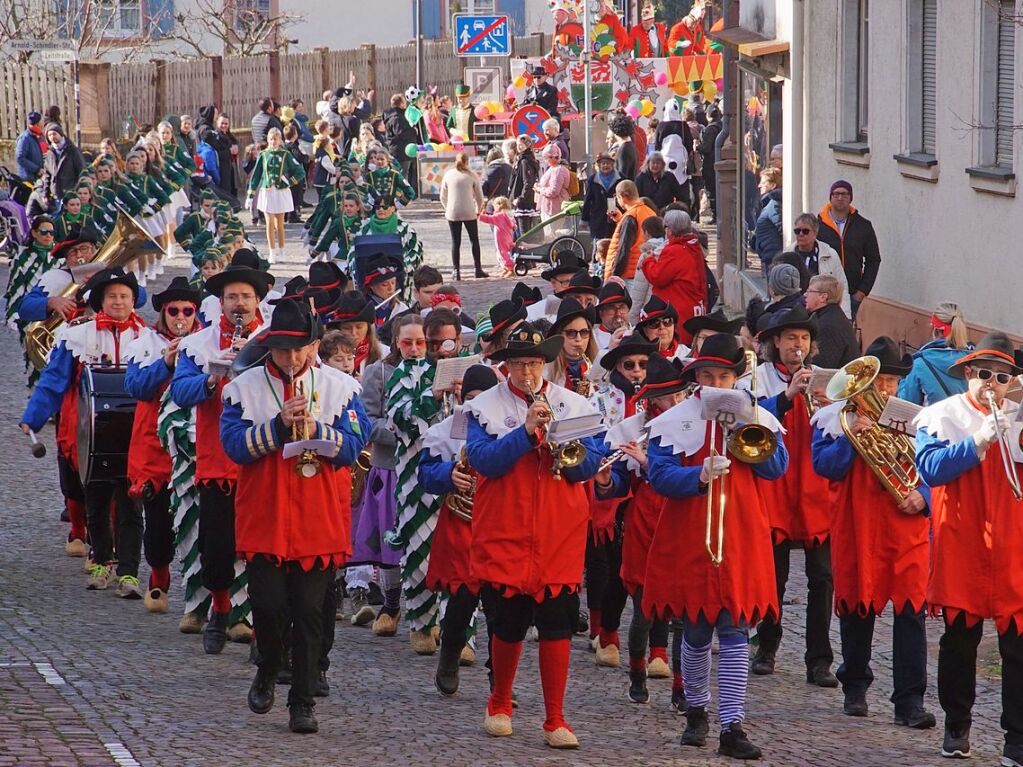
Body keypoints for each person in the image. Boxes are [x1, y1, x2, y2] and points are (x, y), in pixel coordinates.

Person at [222, 298, 368, 734]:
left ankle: (302, 701)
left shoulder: (341, 387)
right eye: (283, 350)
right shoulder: (243, 387)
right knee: (267, 608)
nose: (292, 358)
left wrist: (318, 430)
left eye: (300, 349)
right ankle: (268, 666)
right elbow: (233, 447)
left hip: (317, 518)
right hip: (264, 515)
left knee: (309, 614)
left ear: (313, 345)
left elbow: (352, 447)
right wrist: (277, 428)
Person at [641, 332, 788, 760]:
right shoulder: (674, 420)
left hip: (740, 535)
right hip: (691, 535)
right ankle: (696, 711)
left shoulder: (756, 414)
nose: (715, 384)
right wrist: (698, 476)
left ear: (735, 378)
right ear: (696, 378)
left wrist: (749, 431)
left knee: (736, 627)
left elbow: (778, 468)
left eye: (723, 376)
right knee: (696, 628)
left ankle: (732, 725)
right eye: (707, 375)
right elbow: (660, 477)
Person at [464, 322, 603, 748]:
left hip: (558, 533)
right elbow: (483, 461)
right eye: (519, 363)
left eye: (534, 363)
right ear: (506, 366)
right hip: (505, 530)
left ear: (546, 363)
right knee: (506, 625)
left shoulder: (573, 403)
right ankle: (500, 702)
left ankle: (555, 718)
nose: (527, 371)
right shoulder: (483, 407)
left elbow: (589, 464)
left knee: (557, 626)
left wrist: (562, 445)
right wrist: (525, 433)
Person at [810, 337, 934, 727]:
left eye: (890, 383)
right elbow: (823, 466)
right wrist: (853, 439)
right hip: (858, 522)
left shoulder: (919, 419)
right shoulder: (836, 419)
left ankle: (910, 701)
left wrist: (925, 496)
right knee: (857, 604)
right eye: (878, 383)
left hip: (906, 523)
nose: (883, 391)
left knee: (912, 610)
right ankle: (856, 686)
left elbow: (936, 466)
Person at [914, 332, 1023, 765]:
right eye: (982, 374)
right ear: (967, 376)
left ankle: (1017, 738)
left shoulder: (1020, 416)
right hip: (962, 539)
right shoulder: (942, 415)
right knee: (960, 641)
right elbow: (930, 469)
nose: (991, 383)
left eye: (1001, 376)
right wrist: (976, 441)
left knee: (1017, 648)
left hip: (1014, 546)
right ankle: (956, 725)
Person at [20, 268, 147, 595]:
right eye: (112, 296)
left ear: (134, 301)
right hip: (91, 434)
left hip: (135, 435)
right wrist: (33, 417)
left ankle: (130, 572)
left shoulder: (147, 339)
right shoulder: (76, 335)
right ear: (101, 301)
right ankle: (102, 560)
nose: (118, 301)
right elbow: (53, 380)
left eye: (124, 296)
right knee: (98, 501)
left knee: (131, 503)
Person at [171, 257, 273, 653]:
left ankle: (264, 628)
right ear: (220, 302)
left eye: (246, 296)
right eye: (232, 297)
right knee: (217, 546)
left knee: (265, 548)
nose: (239, 304)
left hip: (264, 457)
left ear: (258, 300)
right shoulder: (198, 344)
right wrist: (211, 380)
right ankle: (219, 608)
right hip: (217, 462)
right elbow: (180, 393)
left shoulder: (276, 339)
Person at [747, 307, 837, 687]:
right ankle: (767, 644)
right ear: (775, 343)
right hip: (776, 488)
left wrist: (829, 405)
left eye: (803, 339)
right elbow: (751, 419)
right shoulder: (759, 377)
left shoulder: (825, 380)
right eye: (790, 339)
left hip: (815, 488)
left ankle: (819, 660)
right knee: (775, 576)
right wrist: (787, 396)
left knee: (823, 578)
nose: (797, 346)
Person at [420, 362, 499, 693]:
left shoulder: (505, 425)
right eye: (470, 397)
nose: (476, 405)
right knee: (462, 601)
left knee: (500, 608)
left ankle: (500, 677)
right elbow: (425, 475)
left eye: (484, 397)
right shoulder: (444, 430)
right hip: (462, 524)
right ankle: (450, 656)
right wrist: (448, 475)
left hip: (498, 523)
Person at [124, 277, 201, 614]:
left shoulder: (207, 341)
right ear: (164, 313)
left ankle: (204, 591)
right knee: (158, 519)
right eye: (174, 310)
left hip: (198, 443)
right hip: (155, 445)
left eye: (187, 310)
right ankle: (159, 576)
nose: (180, 316)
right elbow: (136, 387)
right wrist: (166, 364)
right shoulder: (146, 342)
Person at [641, 209, 707, 344]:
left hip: (679, 308)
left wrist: (648, 260)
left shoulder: (675, 250)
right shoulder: (693, 246)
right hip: (694, 306)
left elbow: (657, 277)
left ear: (669, 230)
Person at [817, 180, 881, 318]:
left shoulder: (863, 225)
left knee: (844, 331)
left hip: (852, 293)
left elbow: (874, 259)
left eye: (845, 194)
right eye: (837, 194)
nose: (840, 198)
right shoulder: (818, 226)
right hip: (822, 293)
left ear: (850, 198)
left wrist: (862, 291)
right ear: (830, 197)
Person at [247, 127, 305, 263]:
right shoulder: (263, 155)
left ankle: (282, 250)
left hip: (281, 191)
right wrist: (251, 194)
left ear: (280, 140)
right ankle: (272, 252)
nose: (273, 141)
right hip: (267, 191)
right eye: (271, 139)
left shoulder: (286, 155)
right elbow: (256, 175)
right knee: (269, 222)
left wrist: (289, 182)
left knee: (280, 223)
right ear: (268, 140)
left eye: (276, 139)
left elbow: (300, 171)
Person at [899, 302, 973, 406]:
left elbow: (906, 404)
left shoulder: (920, 364)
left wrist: (902, 380)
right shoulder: (974, 363)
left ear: (934, 329)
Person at [791, 213, 851, 317]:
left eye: (805, 231)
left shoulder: (830, 254)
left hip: (822, 311)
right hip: (795, 311)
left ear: (815, 233)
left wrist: (846, 315)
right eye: (797, 231)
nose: (800, 234)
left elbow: (841, 285)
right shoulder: (788, 254)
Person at [440, 152, 486, 280]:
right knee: (474, 240)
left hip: (453, 212)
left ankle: (456, 271)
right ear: (467, 162)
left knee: (455, 241)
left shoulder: (449, 174)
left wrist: (447, 207)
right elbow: (479, 197)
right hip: (469, 211)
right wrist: (478, 209)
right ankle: (477, 269)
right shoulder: (472, 175)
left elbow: (442, 196)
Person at [803, 275, 858, 369]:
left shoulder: (828, 326)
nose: (805, 294)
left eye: (809, 291)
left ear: (823, 297)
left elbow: (820, 368)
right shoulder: (832, 315)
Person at [604, 180, 655, 282]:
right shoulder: (650, 212)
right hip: (647, 269)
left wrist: (614, 276)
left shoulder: (630, 217)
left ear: (621, 197)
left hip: (628, 273)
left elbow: (624, 249)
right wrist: (620, 219)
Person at [581, 152, 622, 242]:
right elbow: (587, 200)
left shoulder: (620, 179)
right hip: (597, 217)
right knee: (598, 246)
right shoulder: (593, 179)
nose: (605, 166)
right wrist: (584, 219)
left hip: (615, 216)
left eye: (608, 163)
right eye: (603, 163)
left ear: (612, 165)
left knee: (613, 243)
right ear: (599, 165)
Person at [635, 295, 690, 362]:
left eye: (667, 321)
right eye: (654, 323)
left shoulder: (688, 354)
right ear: (644, 331)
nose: (662, 327)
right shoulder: (637, 359)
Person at [41, 123, 84, 201]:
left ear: (60, 134)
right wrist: (45, 193)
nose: (52, 137)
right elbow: (47, 175)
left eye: (54, 134)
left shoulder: (72, 151)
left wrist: (79, 190)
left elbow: (81, 171)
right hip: (56, 194)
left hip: (70, 193)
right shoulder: (49, 153)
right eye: (49, 135)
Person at [753, 168, 783, 275]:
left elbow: (782, 228)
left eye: (763, 182)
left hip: (774, 256)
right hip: (769, 255)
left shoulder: (773, 204)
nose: (759, 185)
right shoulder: (767, 203)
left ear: (773, 185)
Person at [478, 196, 516, 277]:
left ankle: (510, 268)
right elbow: (514, 225)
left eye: (494, 206)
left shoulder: (499, 216)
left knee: (502, 254)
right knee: (504, 253)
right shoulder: (509, 215)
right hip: (508, 238)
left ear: (499, 206)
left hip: (501, 239)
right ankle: (506, 268)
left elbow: (488, 219)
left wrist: (480, 215)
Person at [535, 143, 571, 224]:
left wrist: (540, 189)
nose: (545, 160)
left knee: (553, 235)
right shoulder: (553, 168)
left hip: (554, 210)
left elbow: (553, 191)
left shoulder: (558, 170)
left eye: (546, 158)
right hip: (550, 209)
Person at [592, 281, 632, 352]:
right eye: (611, 308)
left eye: (622, 307)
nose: (618, 313)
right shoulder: (592, 338)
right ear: (601, 313)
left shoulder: (635, 334)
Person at [208, 114, 241, 198]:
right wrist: (229, 151)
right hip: (221, 170)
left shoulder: (230, 136)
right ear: (217, 123)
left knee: (233, 192)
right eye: (222, 123)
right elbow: (216, 154)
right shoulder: (214, 137)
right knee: (225, 194)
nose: (224, 126)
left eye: (226, 124)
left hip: (232, 168)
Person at [700, 106, 721, 222]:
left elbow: (706, 148)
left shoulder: (710, 129)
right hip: (719, 160)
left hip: (710, 163)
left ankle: (715, 215)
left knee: (711, 190)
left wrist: (697, 146)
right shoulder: (722, 126)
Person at [509, 135, 540, 212]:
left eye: (521, 145)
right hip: (522, 200)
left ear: (528, 145)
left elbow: (528, 182)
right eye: (518, 144)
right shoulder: (524, 159)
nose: (519, 147)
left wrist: (520, 198)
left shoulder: (525, 161)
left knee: (522, 223)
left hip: (522, 203)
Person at [16, 111, 45, 184]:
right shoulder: (25, 138)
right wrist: (37, 169)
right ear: (37, 123)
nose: (43, 123)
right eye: (42, 121)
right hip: (28, 179)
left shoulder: (38, 135)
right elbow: (20, 158)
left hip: (38, 177)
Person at [608, 113, 638, 181]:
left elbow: (621, 175)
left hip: (624, 189)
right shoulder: (631, 145)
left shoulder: (623, 150)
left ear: (615, 132)